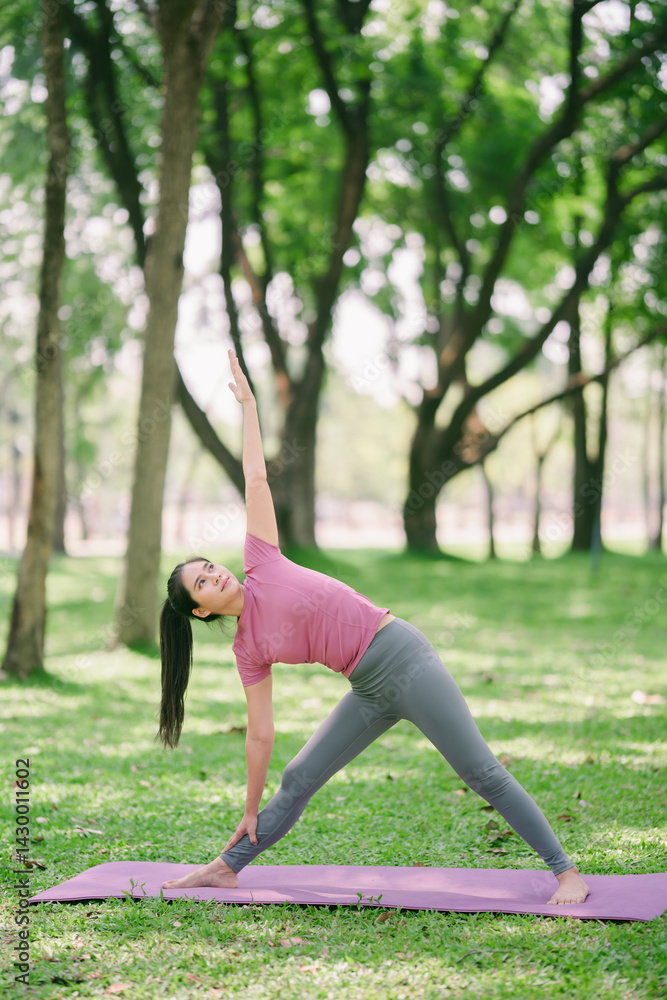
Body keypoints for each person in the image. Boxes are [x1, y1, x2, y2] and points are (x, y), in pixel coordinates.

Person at [158, 350, 589, 905]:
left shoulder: (261, 559)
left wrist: (249, 406)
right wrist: (248, 805)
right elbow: (260, 732)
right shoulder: (248, 650)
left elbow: (256, 476)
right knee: (298, 777)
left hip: (402, 657)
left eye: (209, 566)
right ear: (200, 611)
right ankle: (225, 866)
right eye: (202, 582)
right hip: (367, 688)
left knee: (480, 770)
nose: (214, 575)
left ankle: (565, 871)